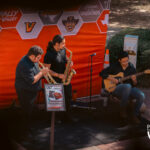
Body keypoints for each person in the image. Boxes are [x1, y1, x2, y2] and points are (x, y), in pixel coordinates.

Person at [100, 51, 145, 124]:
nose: (126, 63)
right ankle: (122, 111)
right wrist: (112, 79)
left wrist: (134, 80)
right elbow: (102, 73)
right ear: (119, 60)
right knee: (127, 86)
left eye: (127, 60)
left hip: (129, 88)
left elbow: (134, 84)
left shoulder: (131, 67)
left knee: (141, 95)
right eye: (123, 61)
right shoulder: (115, 66)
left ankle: (135, 115)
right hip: (115, 88)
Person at [15, 45, 49, 137]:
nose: (39, 60)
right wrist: (42, 73)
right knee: (26, 111)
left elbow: (36, 72)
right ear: (32, 56)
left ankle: (28, 128)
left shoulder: (32, 60)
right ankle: (24, 132)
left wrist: (42, 73)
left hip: (31, 90)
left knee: (30, 110)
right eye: (38, 58)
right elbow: (32, 80)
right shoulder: (24, 64)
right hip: (25, 91)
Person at [43, 34, 74, 122]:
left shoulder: (62, 50)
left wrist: (69, 61)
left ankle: (66, 117)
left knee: (68, 96)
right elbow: (46, 70)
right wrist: (58, 75)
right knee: (55, 100)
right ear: (56, 44)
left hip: (64, 78)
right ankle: (54, 119)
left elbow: (65, 58)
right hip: (55, 80)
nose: (64, 45)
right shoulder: (49, 54)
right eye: (63, 43)